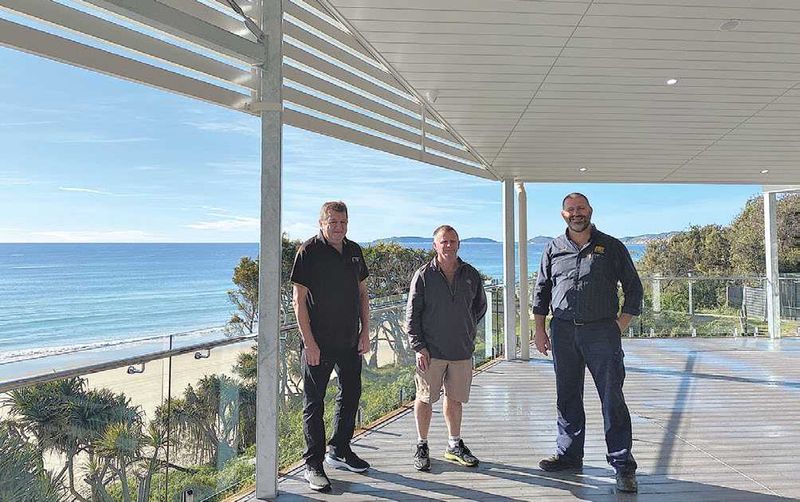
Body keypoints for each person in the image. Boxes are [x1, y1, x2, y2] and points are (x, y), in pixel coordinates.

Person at [531, 193, 643, 493]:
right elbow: (541, 291)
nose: (576, 213)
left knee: (611, 397)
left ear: (590, 211)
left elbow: (634, 288)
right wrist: (540, 330)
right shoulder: (553, 248)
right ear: (562, 214)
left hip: (601, 332)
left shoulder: (612, 247)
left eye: (580, 208)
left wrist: (620, 324)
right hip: (563, 332)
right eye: (570, 210)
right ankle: (569, 455)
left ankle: (622, 465)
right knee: (567, 396)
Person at [290, 201, 371, 492]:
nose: (339, 227)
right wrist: (309, 343)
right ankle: (313, 464)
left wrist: (366, 332)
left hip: (351, 340)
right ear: (321, 222)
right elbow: (298, 302)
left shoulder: (354, 251)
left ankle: (340, 449)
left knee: (350, 396)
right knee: (314, 404)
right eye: (333, 222)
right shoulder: (307, 252)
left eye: (343, 222)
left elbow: (363, 294)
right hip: (319, 344)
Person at [405, 225, 487, 472]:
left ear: (459, 244)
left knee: (455, 399)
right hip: (430, 351)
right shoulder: (423, 275)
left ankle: (454, 445)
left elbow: (479, 307)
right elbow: (412, 314)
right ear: (435, 245)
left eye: (452, 241)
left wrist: (467, 329)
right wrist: (419, 347)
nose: (448, 245)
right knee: (424, 398)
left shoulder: (470, 273)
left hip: (461, 351)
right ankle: (422, 444)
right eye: (444, 242)